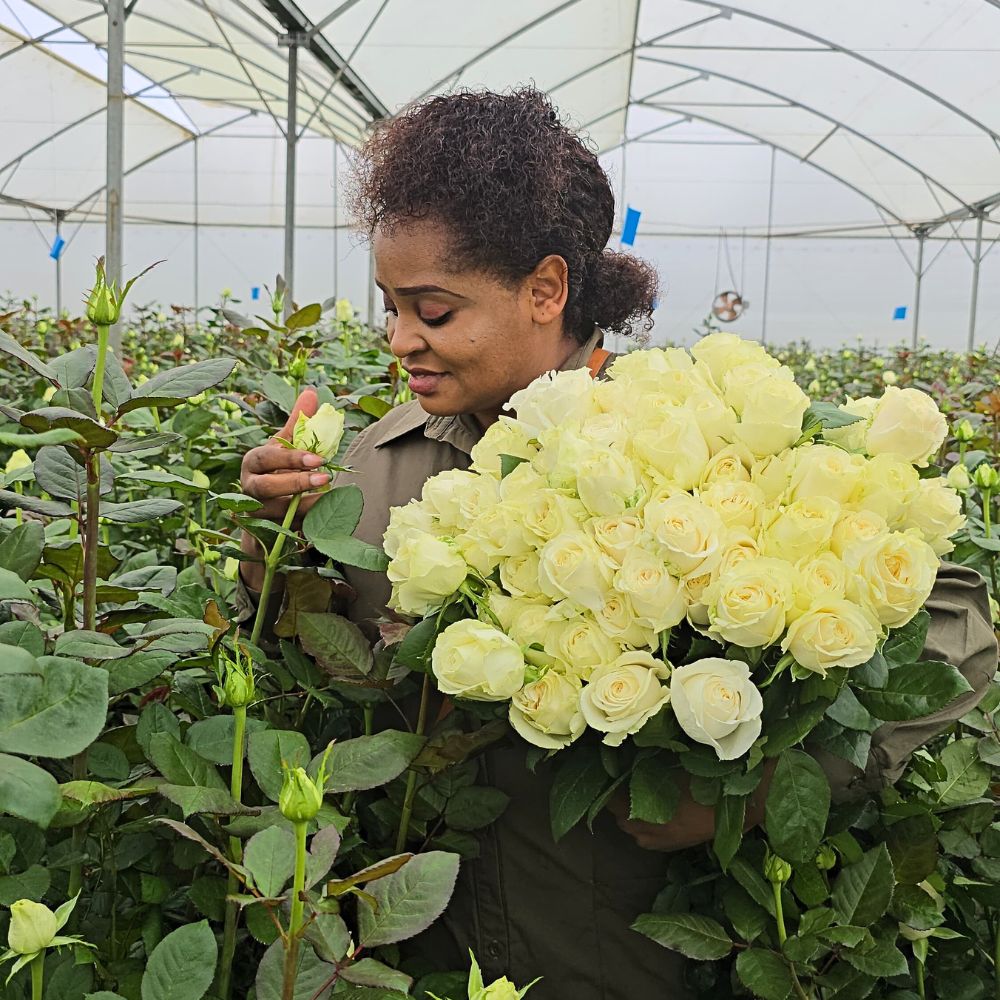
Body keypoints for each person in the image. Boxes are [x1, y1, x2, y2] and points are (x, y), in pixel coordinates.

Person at [236, 89, 997, 999]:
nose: (401, 339)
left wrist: (755, 793)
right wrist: (273, 541)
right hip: (422, 953)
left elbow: (959, 622)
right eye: (391, 306)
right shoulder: (380, 458)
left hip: (618, 952)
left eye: (434, 311)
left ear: (545, 288)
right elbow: (302, 656)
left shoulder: (694, 433)